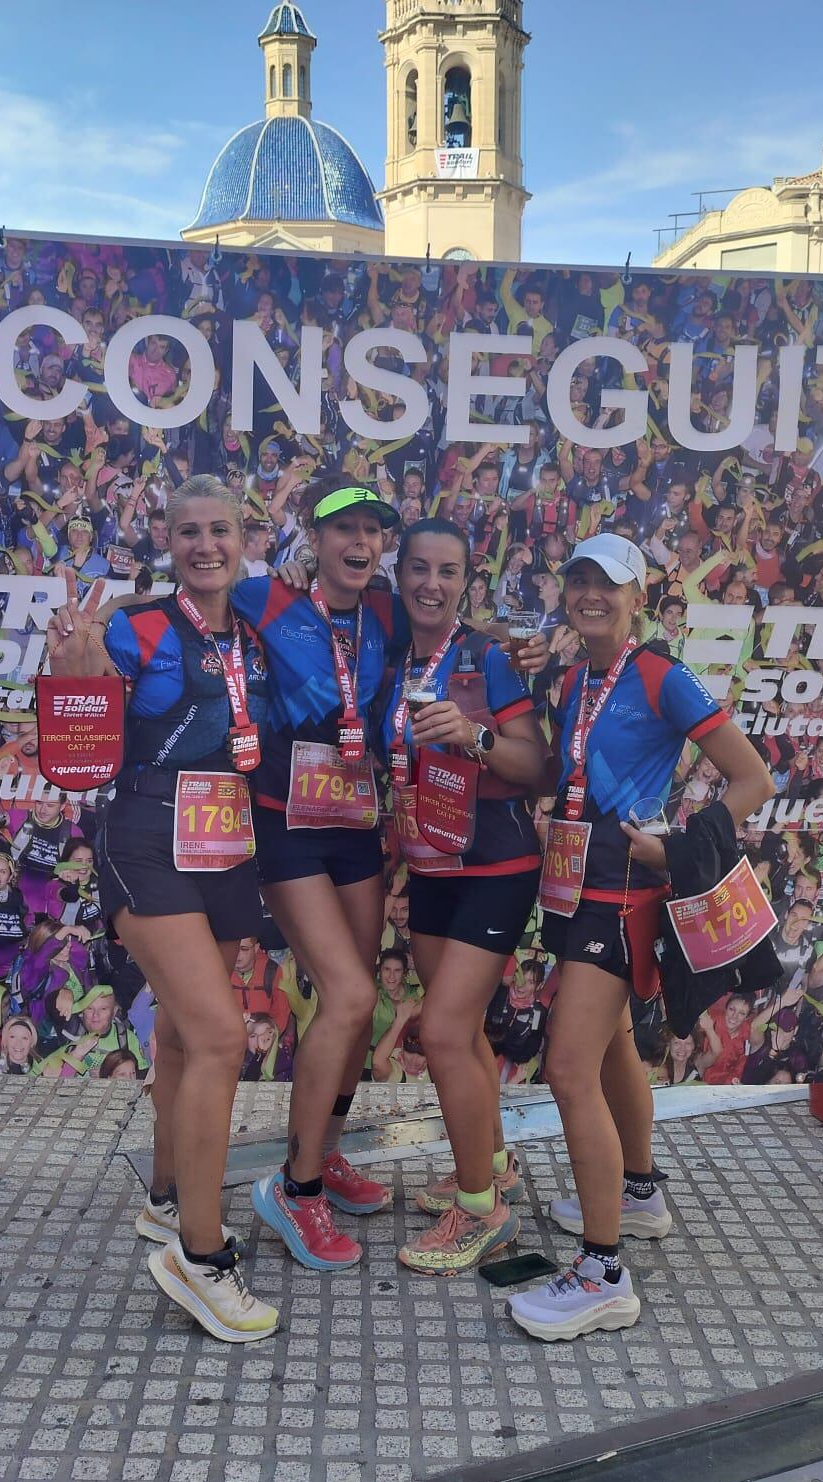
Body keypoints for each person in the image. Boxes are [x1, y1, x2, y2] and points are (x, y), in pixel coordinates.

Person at [509, 534, 773, 1341]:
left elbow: (755, 776)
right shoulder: (574, 677)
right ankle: (639, 1190)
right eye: (579, 580)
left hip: (620, 895)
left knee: (566, 1068)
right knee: (616, 1047)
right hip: (575, 884)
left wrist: (685, 846)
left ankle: (602, 1274)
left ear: (639, 599)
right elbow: (567, 769)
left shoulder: (658, 673)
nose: (591, 595)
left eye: (608, 586)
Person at [48, 473, 280, 1343]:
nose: (206, 545)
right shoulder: (134, 626)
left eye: (220, 529)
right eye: (189, 532)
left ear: (245, 537)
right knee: (222, 1035)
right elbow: (81, 740)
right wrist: (72, 661)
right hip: (146, 834)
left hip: (225, 841)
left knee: (186, 1036)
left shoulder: (258, 627)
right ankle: (201, 1255)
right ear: (167, 541)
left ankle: (166, 1197)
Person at [232, 483, 404, 1273]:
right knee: (350, 996)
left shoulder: (389, 613)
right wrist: (101, 623)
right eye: (346, 528)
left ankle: (324, 1155)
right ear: (316, 537)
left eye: (372, 529)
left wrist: (518, 638)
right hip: (286, 821)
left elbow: (460, 634)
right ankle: (293, 1190)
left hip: (355, 824)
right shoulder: (260, 598)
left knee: (354, 1000)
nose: (360, 540)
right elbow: (179, 605)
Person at [374, 518, 552, 1277]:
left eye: (447, 572)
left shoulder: (486, 658)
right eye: (419, 568)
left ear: (466, 581)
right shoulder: (383, 655)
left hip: (494, 864)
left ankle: (482, 1212)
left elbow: (537, 764)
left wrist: (472, 736)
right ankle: (495, 1161)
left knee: (443, 1033)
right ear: (399, 573)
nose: (431, 584)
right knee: (468, 1035)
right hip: (429, 866)